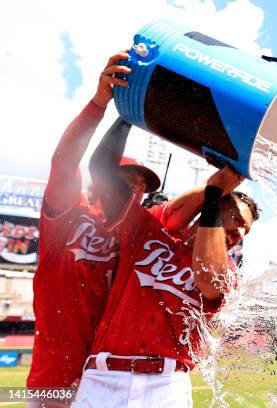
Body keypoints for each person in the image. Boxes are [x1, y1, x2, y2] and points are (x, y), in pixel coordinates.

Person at [73, 88, 277, 407]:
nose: (241, 233)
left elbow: (208, 279)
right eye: (237, 220)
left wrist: (216, 194)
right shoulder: (146, 230)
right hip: (103, 377)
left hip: (166, 385)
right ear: (216, 208)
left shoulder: (229, 272)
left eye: (247, 230)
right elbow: (101, 170)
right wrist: (127, 108)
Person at [27, 51, 161, 407]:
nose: (135, 188)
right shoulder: (70, 212)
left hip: (111, 382)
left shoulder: (137, 234)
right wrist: (100, 103)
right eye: (127, 178)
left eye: (141, 185)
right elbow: (65, 159)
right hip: (54, 382)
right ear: (103, 176)